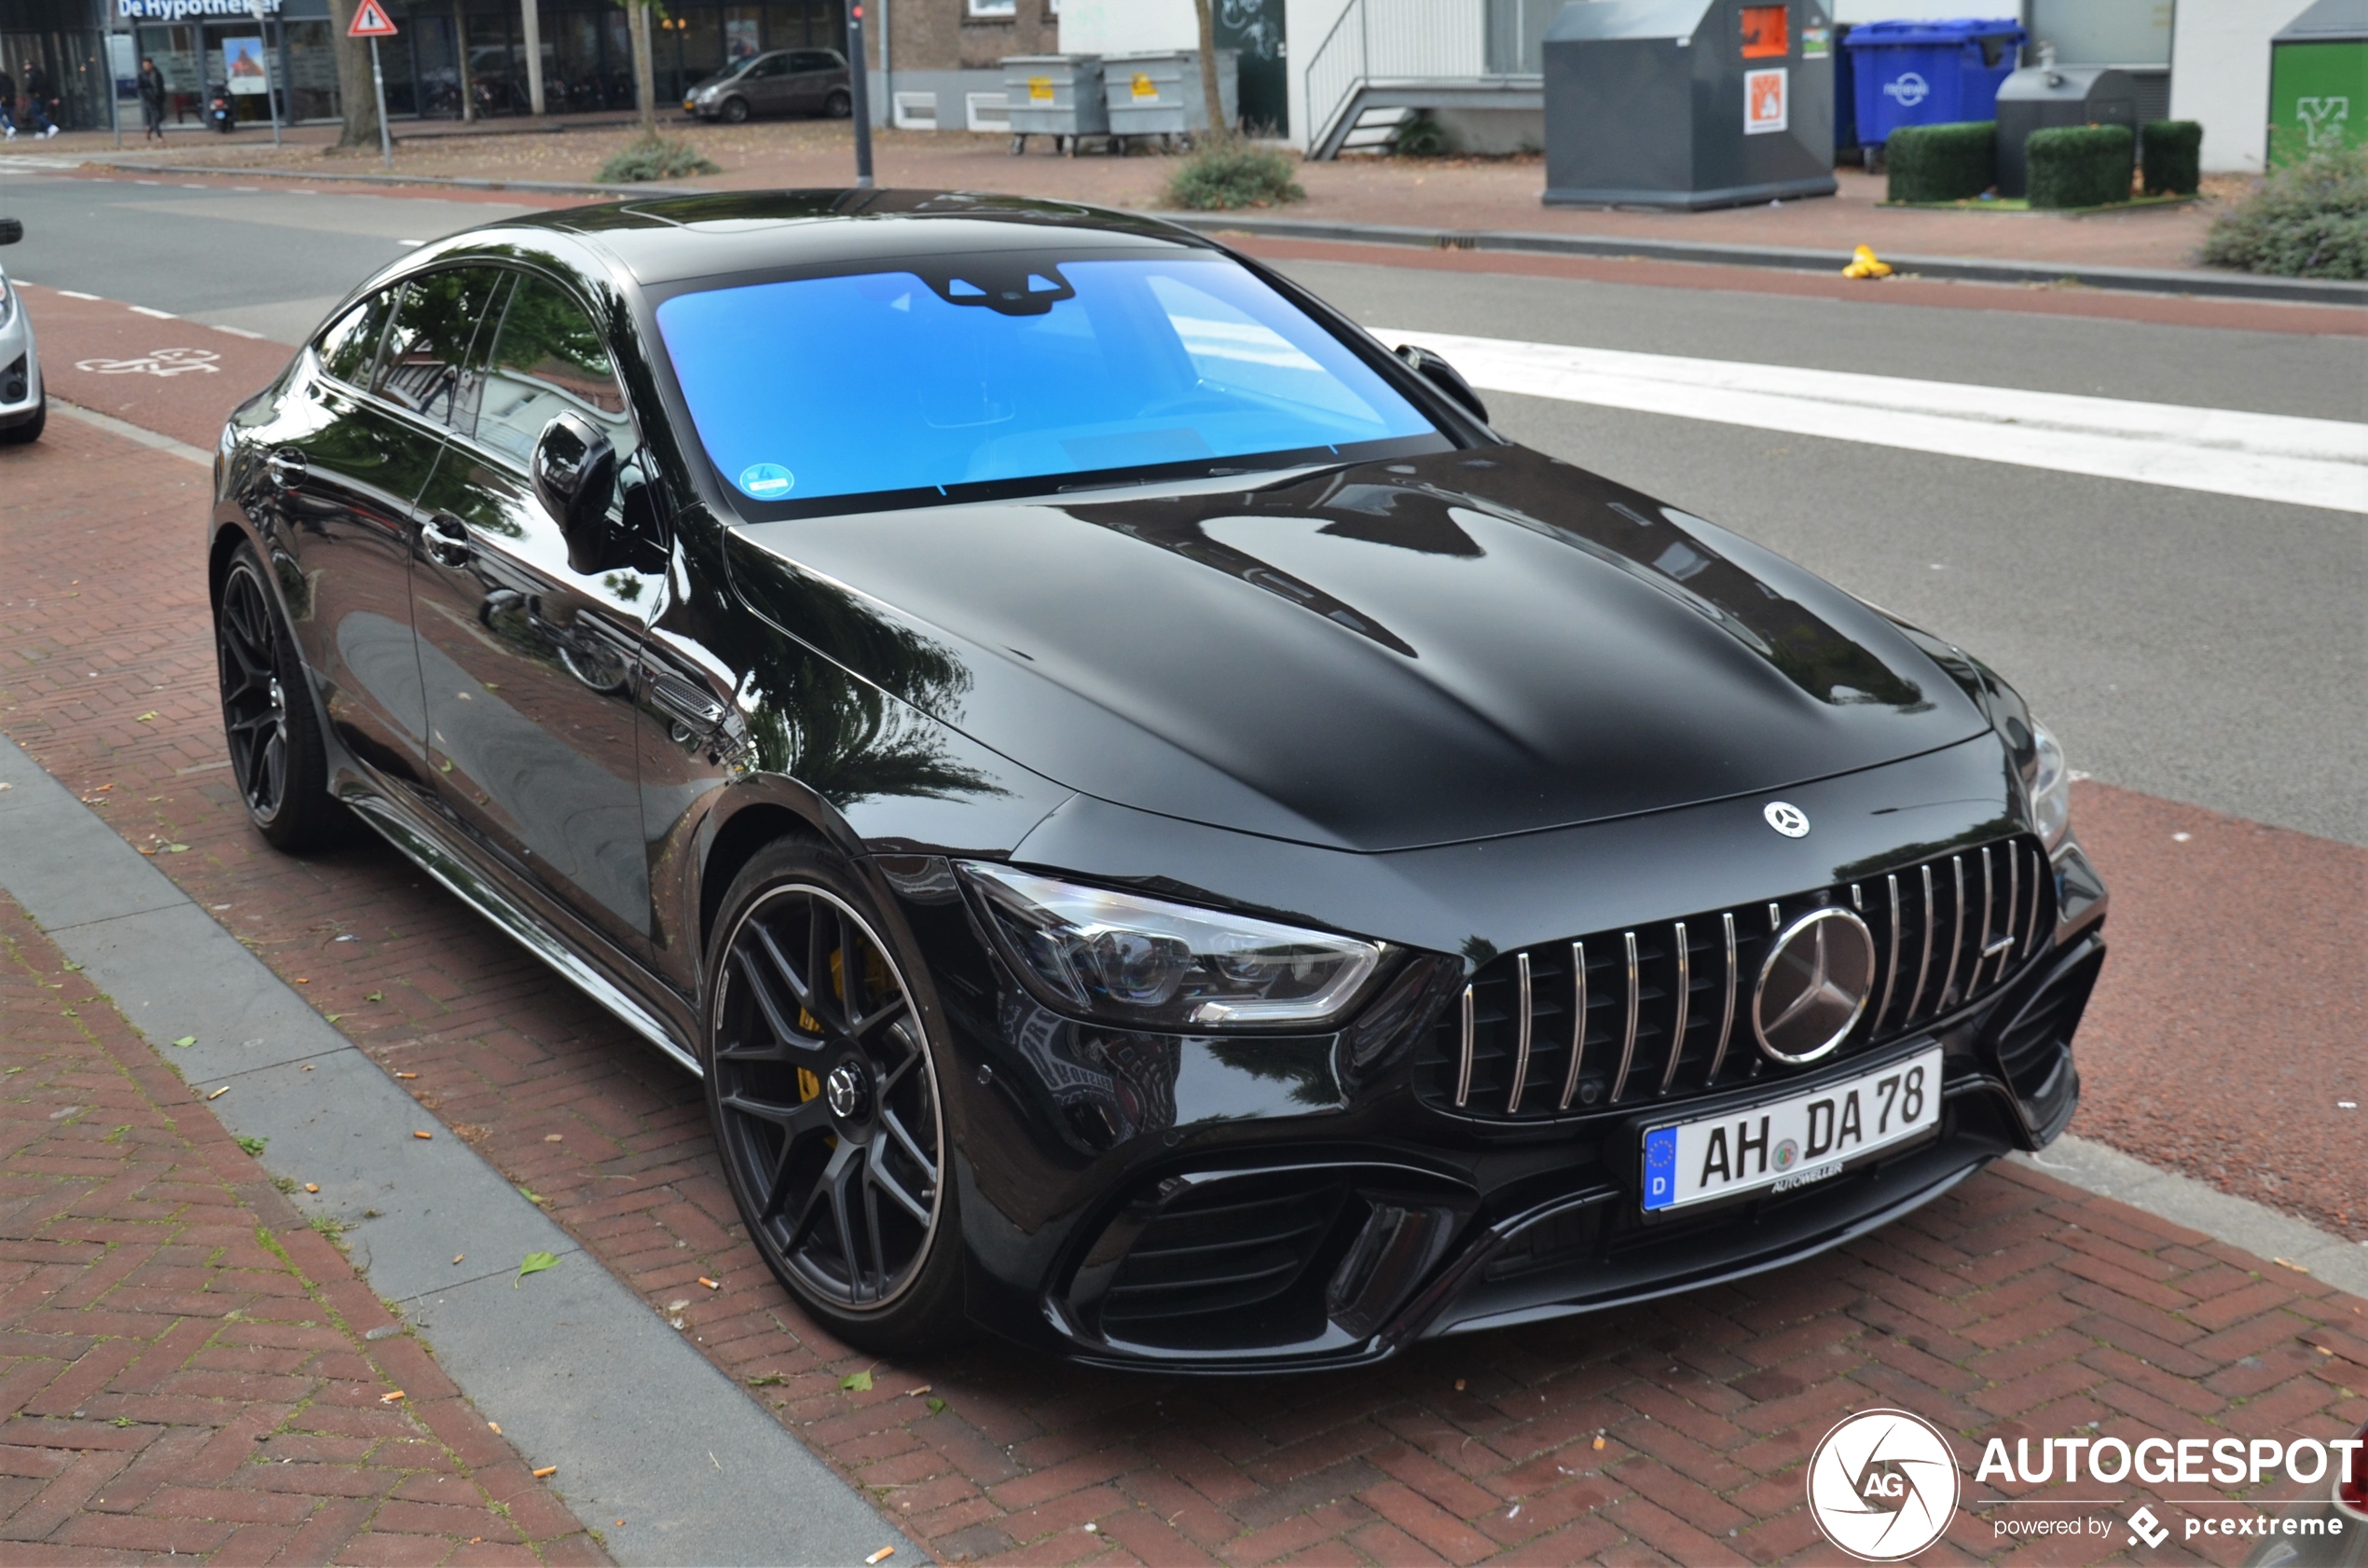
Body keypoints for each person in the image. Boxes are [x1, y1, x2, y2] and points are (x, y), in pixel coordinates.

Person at [21, 60, 59, 138]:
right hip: (44, 96)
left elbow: (30, 85)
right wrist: (53, 97)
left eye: (25, 65)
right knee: (41, 113)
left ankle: (50, 127)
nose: (24, 67)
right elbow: (49, 85)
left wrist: (28, 91)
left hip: (36, 95)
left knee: (36, 113)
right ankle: (40, 131)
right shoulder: (42, 74)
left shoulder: (30, 74)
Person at [138, 57, 167, 142]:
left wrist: (162, 96)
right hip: (149, 98)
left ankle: (150, 128)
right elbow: (139, 88)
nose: (145, 67)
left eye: (147, 65)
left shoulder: (157, 73)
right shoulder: (141, 75)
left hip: (159, 97)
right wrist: (146, 96)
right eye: (144, 65)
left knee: (162, 116)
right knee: (155, 116)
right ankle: (159, 135)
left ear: (151, 65)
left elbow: (161, 86)